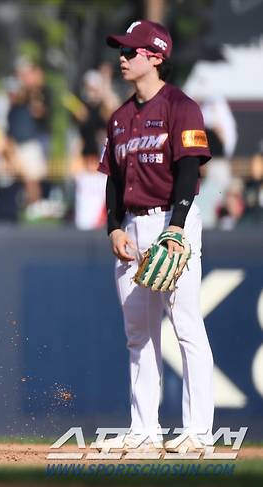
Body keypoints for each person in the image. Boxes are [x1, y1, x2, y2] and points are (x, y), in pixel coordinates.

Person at [98, 20, 214, 453]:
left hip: (172, 220)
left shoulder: (181, 106)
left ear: (157, 56)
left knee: (186, 327)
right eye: (122, 51)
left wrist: (178, 229)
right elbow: (112, 178)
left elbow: (189, 169)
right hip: (132, 226)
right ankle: (144, 430)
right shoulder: (120, 118)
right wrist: (113, 225)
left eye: (132, 52)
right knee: (139, 334)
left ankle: (198, 433)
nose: (123, 58)